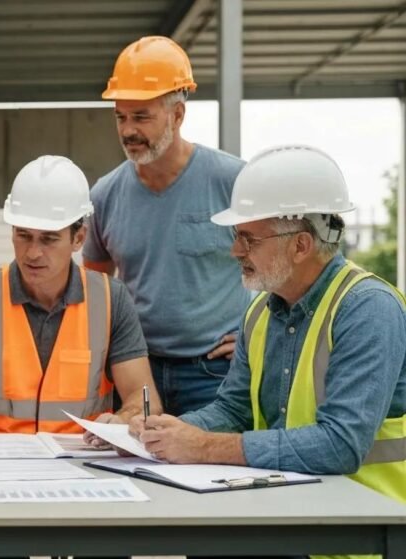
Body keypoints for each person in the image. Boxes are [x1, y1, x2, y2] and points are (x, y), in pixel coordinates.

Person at [130, 145, 406, 506]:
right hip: (292, 511)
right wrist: (165, 431)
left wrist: (204, 446)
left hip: (362, 526)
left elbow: (341, 445)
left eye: (249, 239)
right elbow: (233, 410)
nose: (235, 251)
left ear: (301, 245)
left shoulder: (368, 310)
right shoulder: (259, 311)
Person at [0, 155, 161, 457]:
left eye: (48, 239)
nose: (33, 253)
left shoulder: (111, 300)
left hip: (83, 465)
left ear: (79, 238)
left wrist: (125, 421)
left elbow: (144, 400)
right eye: (23, 235)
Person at [84, 35, 250, 415]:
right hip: (136, 372)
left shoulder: (233, 182)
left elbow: (280, 270)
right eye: (121, 116)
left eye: (141, 116)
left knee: (210, 471)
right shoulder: (105, 195)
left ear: (177, 115)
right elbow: (96, 290)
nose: (128, 130)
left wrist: (256, 337)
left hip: (216, 373)